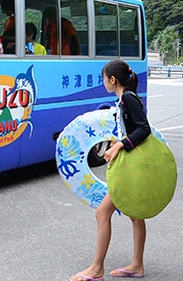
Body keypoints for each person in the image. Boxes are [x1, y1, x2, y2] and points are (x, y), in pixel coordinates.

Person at [69, 59, 150, 281]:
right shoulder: (123, 99)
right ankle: (137, 265)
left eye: (103, 78)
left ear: (112, 80)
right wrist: (118, 142)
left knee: (102, 212)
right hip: (131, 164)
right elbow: (133, 129)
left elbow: (144, 129)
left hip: (131, 167)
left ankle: (96, 269)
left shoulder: (128, 98)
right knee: (135, 215)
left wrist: (121, 145)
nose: (103, 82)